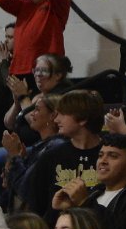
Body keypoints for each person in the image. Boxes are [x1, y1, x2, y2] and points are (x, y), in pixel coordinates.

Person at [24, 90, 104, 221]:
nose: (56, 119)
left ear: (83, 119)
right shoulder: (51, 156)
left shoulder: (109, 155)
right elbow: (35, 205)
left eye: (63, 114)